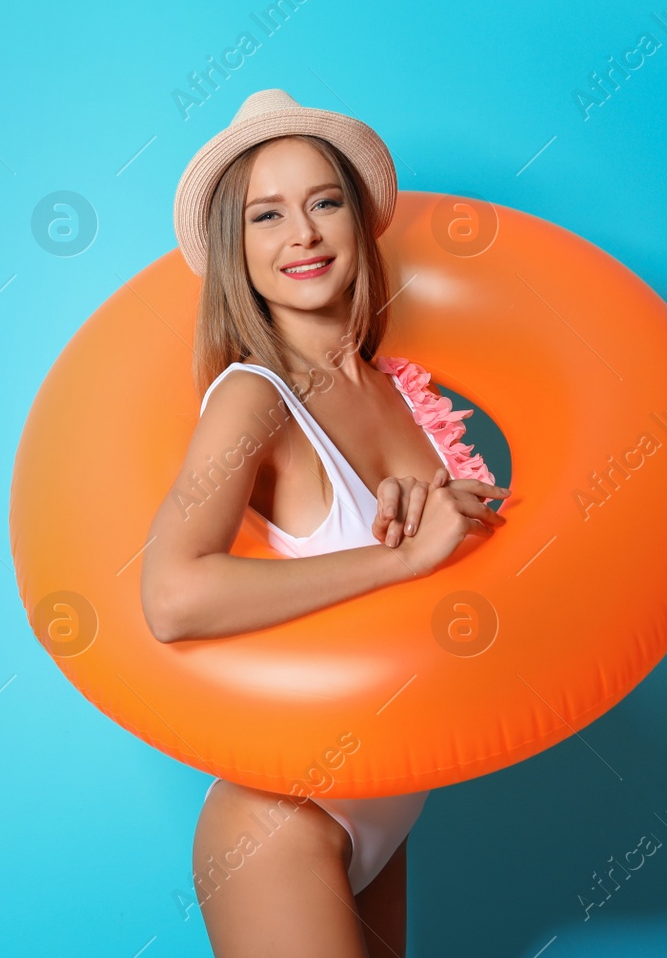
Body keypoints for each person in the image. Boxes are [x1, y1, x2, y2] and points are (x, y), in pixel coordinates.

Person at [140, 89, 509, 957]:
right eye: (266, 215)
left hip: (387, 801)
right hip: (283, 818)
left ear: (358, 221)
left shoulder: (403, 392)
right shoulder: (252, 399)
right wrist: (399, 563)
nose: (301, 234)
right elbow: (172, 593)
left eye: (323, 201)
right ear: (239, 250)